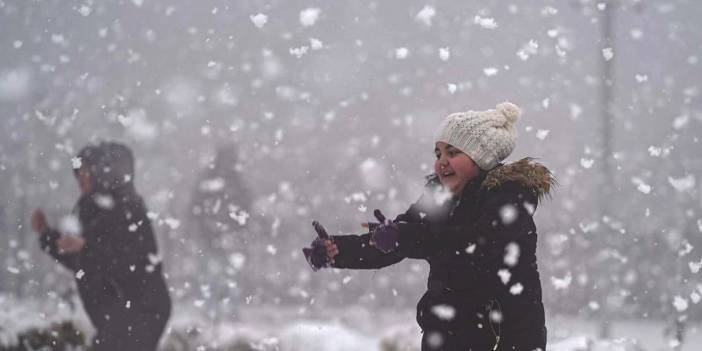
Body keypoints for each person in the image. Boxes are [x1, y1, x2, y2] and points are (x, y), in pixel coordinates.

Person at [303, 102, 554, 350]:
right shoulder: (439, 198)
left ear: (482, 157)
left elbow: (477, 244)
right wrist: (338, 250)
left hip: (504, 338)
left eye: (453, 153)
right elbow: (398, 239)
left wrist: (404, 236)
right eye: (438, 154)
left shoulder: (510, 195)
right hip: (447, 336)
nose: (441, 162)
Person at [31, 141, 171, 351]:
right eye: (78, 174)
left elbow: (129, 262)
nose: (80, 179)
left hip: (139, 311)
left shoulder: (126, 207)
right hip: (119, 315)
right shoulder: (92, 210)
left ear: (101, 173)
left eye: (85, 172)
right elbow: (84, 264)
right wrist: (47, 236)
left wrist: (85, 247)